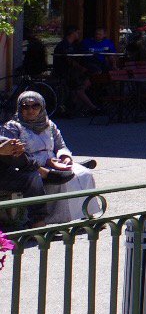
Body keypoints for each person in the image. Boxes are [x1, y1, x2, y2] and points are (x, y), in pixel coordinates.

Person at [3, 91, 96, 226]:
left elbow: (60, 145)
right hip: (33, 165)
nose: (30, 110)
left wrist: (65, 157)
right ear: (19, 108)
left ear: (42, 107)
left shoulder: (49, 125)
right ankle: (54, 220)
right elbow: (16, 155)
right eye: (25, 107)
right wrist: (46, 162)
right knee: (56, 180)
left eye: (35, 106)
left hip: (54, 161)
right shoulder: (12, 127)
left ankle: (87, 215)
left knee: (84, 174)